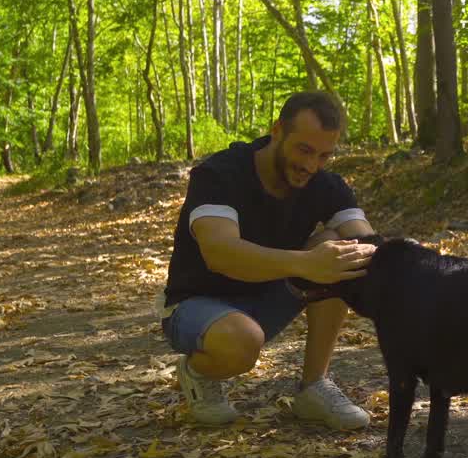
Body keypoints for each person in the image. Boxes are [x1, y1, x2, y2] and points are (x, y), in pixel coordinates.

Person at [158, 91, 376, 429]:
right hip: (195, 304)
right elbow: (220, 253)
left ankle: (313, 387)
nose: (311, 165)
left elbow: (366, 240)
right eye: (304, 149)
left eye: (323, 155)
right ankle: (197, 372)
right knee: (242, 341)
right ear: (277, 130)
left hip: (267, 297)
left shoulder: (325, 184)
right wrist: (306, 264)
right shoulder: (220, 173)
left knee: (343, 250)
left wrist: (409, 262)